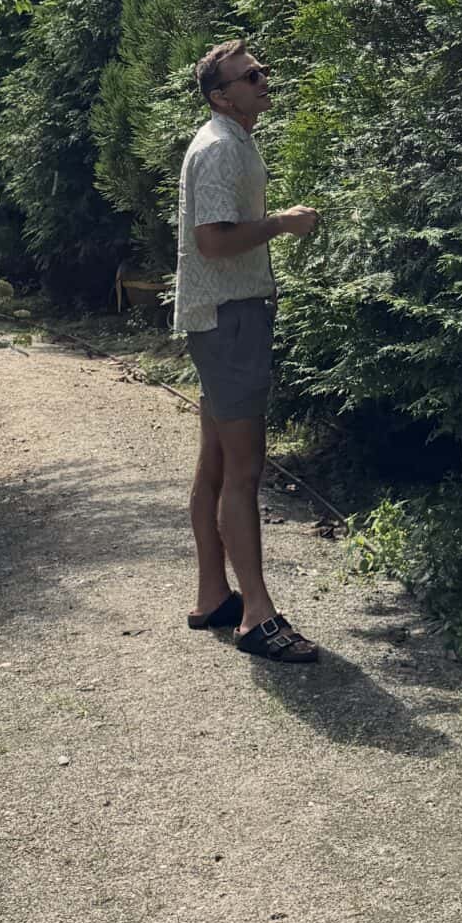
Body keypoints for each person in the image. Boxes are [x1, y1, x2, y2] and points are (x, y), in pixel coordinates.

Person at [175, 38, 321, 662]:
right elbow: (212, 241)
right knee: (245, 469)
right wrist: (285, 222)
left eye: (261, 71)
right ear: (220, 95)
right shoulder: (218, 149)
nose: (263, 79)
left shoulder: (233, 140)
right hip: (230, 320)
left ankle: (214, 596)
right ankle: (256, 616)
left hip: (223, 318)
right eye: (248, 75)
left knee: (215, 460)